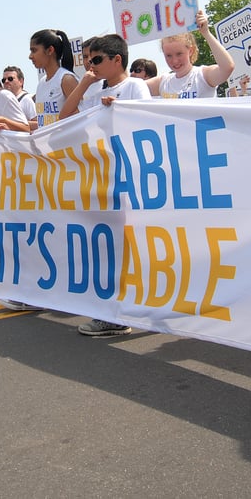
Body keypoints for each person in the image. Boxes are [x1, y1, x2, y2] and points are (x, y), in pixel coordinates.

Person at [60, 34, 149, 336]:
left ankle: (121, 312)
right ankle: (115, 310)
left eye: (97, 60)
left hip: (128, 174)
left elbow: (149, 122)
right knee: (110, 245)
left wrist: (121, 109)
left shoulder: (134, 86)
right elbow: (65, 115)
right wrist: (85, 83)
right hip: (103, 174)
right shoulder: (95, 88)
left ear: (117, 60)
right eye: (88, 59)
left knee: (128, 244)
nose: (91, 64)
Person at [145, 10, 235, 99]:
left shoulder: (202, 76)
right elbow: (132, 87)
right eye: (169, 55)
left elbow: (227, 68)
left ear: (191, 51)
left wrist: (206, 33)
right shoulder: (163, 82)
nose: (174, 60)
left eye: (179, 54)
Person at [29, 29, 79, 129]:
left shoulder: (66, 79)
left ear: (50, 50)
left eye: (34, 50)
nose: (30, 56)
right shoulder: (41, 83)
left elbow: (81, 117)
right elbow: (45, 123)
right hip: (49, 144)